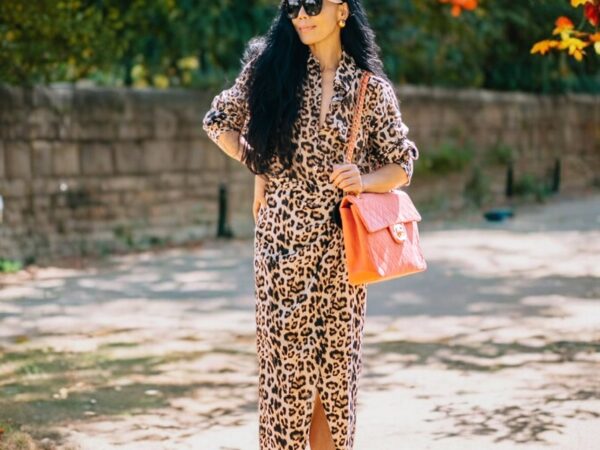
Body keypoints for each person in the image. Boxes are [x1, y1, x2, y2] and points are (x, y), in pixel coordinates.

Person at [202, 1, 419, 448]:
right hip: (280, 249)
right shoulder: (271, 71)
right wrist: (260, 165)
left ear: (342, 10)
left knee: (333, 379)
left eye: (313, 4)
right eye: (293, 5)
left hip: (342, 255)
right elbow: (217, 121)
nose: (301, 14)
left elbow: (401, 164)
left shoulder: (368, 89)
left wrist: (363, 179)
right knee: (285, 379)